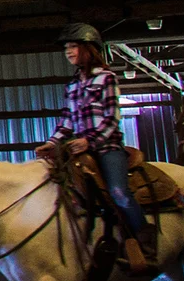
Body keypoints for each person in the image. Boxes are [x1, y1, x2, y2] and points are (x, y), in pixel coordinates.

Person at [55, 21, 151, 263]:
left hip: (107, 148)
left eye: (73, 46)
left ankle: (146, 239)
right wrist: (52, 142)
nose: (68, 51)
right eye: (66, 47)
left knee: (119, 192)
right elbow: (67, 119)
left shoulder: (107, 78)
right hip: (79, 150)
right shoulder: (73, 84)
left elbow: (111, 119)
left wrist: (89, 141)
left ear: (88, 49)